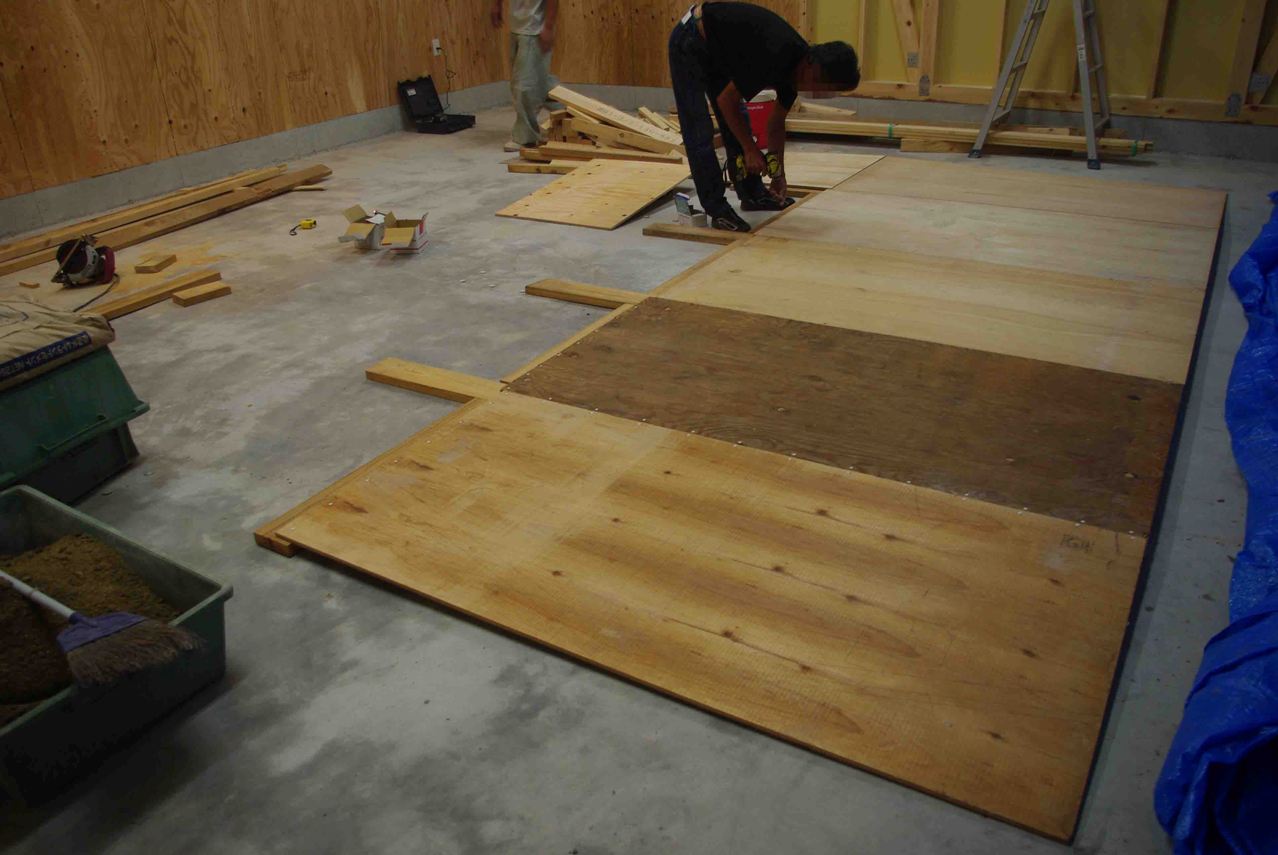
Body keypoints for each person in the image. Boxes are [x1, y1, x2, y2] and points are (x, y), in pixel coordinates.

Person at [669, 3, 860, 232]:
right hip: (690, 38)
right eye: (824, 87)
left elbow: (776, 124)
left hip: (717, 47)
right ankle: (717, 210)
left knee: (739, 121)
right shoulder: (775, 54)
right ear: (814, 69)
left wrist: (778, 175)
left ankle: (753, 194)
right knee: (699, 128)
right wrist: (750, 149)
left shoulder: (796, 72)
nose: (819, 93)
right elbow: (726, 101)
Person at [492, 0, 561, 153]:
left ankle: (525, 137)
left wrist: (548, 27)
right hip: (517, 27)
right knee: (539, 82)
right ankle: (574, 115)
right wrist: (497, 5)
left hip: (534, 30)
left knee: (524, 86)